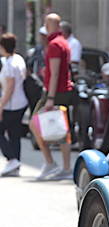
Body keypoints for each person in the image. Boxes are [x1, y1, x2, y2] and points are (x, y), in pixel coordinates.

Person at [29, 13, 75, 181]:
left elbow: (55, 73)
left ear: (51, 25)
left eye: (46, 24)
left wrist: (50, 97)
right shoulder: (63, 42)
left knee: (37, 124)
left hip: (55, 92)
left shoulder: (55, 44)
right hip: (61, 90)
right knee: (61, 129)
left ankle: (53, 164)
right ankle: (63, 167)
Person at [0, 33, 28, 177]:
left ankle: (11, 159)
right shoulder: (18, 59)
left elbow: (9, 89)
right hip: (21, 102)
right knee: (14, 134)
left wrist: (0, 106)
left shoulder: (10, 64)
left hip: (11, 104)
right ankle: (15, 163)